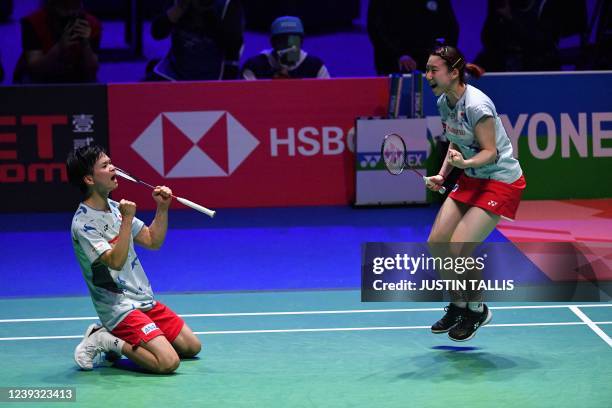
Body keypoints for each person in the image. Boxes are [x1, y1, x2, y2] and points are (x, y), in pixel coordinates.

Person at [66, 145, 201, 373]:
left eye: (112, 163)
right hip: (118, 307)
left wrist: (162, 208)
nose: (114, 169)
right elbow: (115, 262)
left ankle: (113, 336)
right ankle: (107, 340)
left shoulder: (116, 207)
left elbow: (152, 240)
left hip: (142, 298)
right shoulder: (83, 224)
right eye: (106, 166)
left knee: (191, 347)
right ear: (89, 179)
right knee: (168, 362)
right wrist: (127, 220)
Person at [424, 45, 526, 341]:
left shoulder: (478, 106)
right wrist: (443, 174)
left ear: (454, 73)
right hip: (471, 176)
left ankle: (478, 309)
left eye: (433, 70)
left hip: (499, 179)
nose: (427, 75)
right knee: (437, 243)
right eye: (427, 69)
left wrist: (465, 164)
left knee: (459, 249)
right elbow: (455, 142)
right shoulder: (444, 101)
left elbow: (491, 153)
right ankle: (458, 304)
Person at [150, 0, 244, 81]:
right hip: (174, 72)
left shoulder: (227, 4)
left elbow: (234, 49)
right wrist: (178, 9)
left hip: (211, 75)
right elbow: (157, 33)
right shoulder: (179, 3)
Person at [13, 0, 101, 83]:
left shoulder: (91, 23)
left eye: (74, 7)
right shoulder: (33, 22)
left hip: (76, 77)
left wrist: (85, 44)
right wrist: (59, 48)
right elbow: (34, 69)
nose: (70, 14)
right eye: (65, 8)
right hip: (39, 80)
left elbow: (92, 70)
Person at [367, 0, 459, 75]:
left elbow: (451, 28)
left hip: (430, 63)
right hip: (394, 63)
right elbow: (376, 28)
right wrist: (399, 54)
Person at [241, 16, 330, 80]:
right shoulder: (255, 67)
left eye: (293, 40)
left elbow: (326, 96)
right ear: (273, 43)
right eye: (283, 40)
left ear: (302, 42)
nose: (289, 46)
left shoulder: (315, 67)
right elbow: (249, 101)